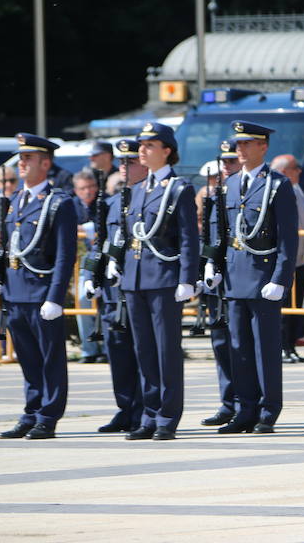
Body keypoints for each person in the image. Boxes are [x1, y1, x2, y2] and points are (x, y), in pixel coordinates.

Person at [203, 120, 297, 434]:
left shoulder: (277, 184)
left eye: (247, 144)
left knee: (265, 349)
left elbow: (287, 237)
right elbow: (220, 231)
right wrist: (212, 265)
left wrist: (280, 278)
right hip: (233, 278)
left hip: (263, 278)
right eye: (238, 144)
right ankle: (245, 409)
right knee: (238, 348)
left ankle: (268, 410)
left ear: (263, 147)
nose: (240, 150)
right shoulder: (228, 185)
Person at [109, 122, 198, 441]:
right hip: (135, 279)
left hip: (163, 279)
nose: (142, 150)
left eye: (149, 145)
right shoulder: (138, 189)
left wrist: (187, 277)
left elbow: (189, 237)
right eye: (141, 145)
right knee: (143, 351)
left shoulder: (178, 188)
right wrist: (117, 264)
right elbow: (130, 233)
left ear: (167, 151)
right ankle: (148, 413)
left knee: (165, 352)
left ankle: (167, 416)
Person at [0, 133, 77, 440]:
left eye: (28, 158)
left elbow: (66, 254)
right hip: (15, 290)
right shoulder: (14, 202)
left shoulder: (57, 203)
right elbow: (6, 245)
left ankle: (48, 415)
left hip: (40, 292)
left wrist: (55, 296)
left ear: (45, 163)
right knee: (27, 357)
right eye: (21, 158)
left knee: (50, 357)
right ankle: (31, 411)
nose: (21, 163)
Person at [84, 139, 144, 433]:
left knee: (143, 351)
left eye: (130, 162)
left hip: (138, 286)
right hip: (112, 290)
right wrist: (91, 276)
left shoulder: (148, 199)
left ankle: (145, 409)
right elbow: (100, 244)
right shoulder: (108, 204)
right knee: (117, 352)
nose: (124, 168)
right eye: (121, 162)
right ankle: (125, 408)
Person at [199, 140, 240, 427]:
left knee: (242, 344)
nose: (226, 167)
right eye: (223, 163)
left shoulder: (248, 194)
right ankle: (228, 402)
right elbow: (209, 238)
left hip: (240, 279)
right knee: (221, 343)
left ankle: (249, 401)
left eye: (231, 162)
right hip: (217, 282)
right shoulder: (216, 196)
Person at [270, 153, 304, 363]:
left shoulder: (297, 189)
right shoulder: (277, 190)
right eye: (296, 168)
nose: (300, 171)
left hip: (301, 258)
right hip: (285, 259)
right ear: (285, 171)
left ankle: (292, 345)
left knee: (296, 308)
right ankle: (282, 347)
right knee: (284, 308)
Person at [72, 169, 105, 363]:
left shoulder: (105, 202)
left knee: (107, 305)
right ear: (76, 190)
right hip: (82, 266)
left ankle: (108, 348)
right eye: (83, 188)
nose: (88, 191)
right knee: (83, 300)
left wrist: (87, 228)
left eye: (92, 186)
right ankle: (89, 350)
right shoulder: (71, 205)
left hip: (105, 263)